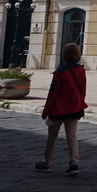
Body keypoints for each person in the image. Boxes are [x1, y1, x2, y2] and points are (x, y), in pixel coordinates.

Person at [35, 42, 88, 177]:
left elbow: (52, 93)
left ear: (64, 56)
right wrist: (80, 104)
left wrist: (46, 111)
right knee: (72, 137)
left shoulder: (60, 72)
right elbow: (82, 90)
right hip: (74, 108)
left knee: (52, 137)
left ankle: (46, 162)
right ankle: (74, 163)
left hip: (58, 109)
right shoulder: (81, 71)